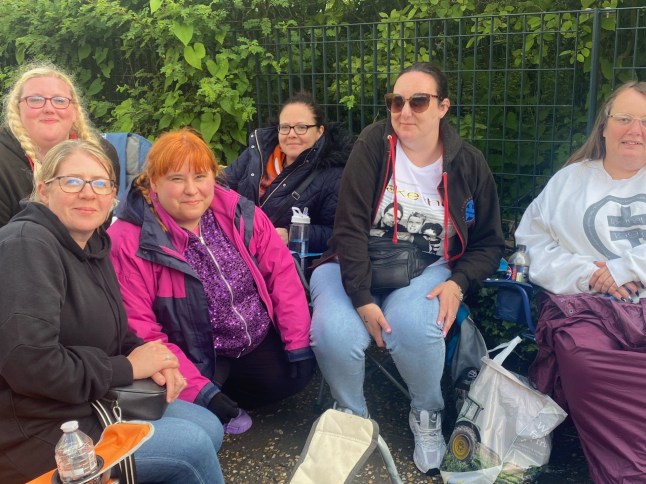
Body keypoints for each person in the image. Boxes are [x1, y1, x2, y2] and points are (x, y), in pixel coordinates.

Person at [310, 62, 504, 475]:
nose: (405, 111)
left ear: (443, 107)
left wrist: (458, 283)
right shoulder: (372, 145)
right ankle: (352, 418)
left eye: (419, 101)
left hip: (426, 269)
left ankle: (427, 413)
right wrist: (361, 299)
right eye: (396, 101)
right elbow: (347, 227)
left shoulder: (468, 164)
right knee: (333, 331)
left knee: (415, 326)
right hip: (352, 264)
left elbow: (489, 242)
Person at [0, 140, 224, 483]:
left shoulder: (92, 244)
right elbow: (30, 364)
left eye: (100, 183)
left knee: (209, 425)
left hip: (90, 399)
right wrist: (128, 367)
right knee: (191, 447)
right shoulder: (26, 245)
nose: (88, 193)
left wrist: (157, 360)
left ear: (112, 196)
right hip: (40, 428)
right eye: (73, 181)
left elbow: (115, 332)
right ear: (44, 191)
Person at [108, 128, 314, 436]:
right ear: (154, 183)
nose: (192, 190)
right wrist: (200, 391)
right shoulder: (127, 239)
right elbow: (141, 329)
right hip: (192, 351)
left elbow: (282, 274)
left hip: (250, 337)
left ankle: (219, 396)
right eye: (176, 179)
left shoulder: (239, 213)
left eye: (200, 177)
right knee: (202, 404)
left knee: (298, 375)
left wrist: (297, 342)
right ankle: (207, 397)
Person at [515, 81, 646, 483]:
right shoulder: (570, 181)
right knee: (583, 358)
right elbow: (530, 244)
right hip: (587, 308)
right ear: (604, 127)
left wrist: (628, 268)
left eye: (645, 122)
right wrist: (589, 275)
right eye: (624, 118)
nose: (635, 130)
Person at [224, 91, 353, 253]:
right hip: (235, 248)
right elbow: (221, 188)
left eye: (301, 127)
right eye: (285, 127)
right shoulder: (257, 154)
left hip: (282, 259)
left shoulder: (334, 174)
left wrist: (291, 234)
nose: (291, 134)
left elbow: (337, 232)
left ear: (320, 131)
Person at [0, 62, 120, 228]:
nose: (49, 108)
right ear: (17, 110)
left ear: (74, 111)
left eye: (60, 100)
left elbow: (101, 226)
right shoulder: (4, 161)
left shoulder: (102, 153)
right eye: (35, 100)